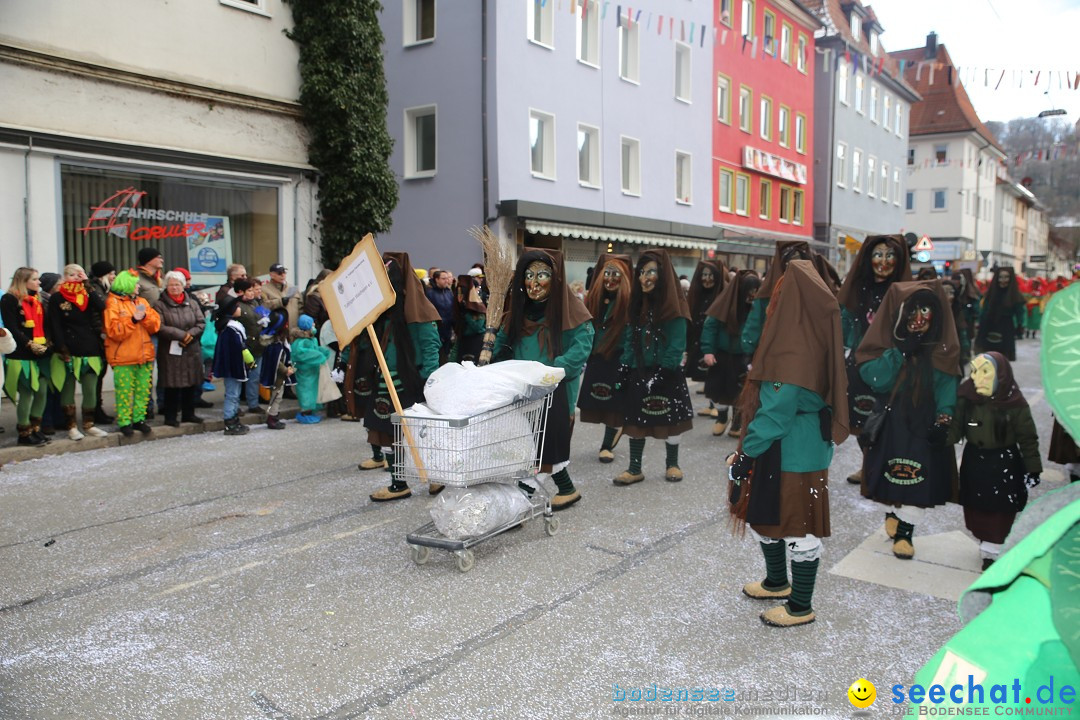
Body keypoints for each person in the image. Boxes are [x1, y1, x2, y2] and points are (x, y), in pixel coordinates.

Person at [727, 259, 849, 627]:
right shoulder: (810, 336)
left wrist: (747, 454)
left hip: (791, 451)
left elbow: (776, 413)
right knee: (772, 518)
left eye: (777, 292)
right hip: (798, 445)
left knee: (799, 527)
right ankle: (777, 581)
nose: (770, 300)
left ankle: (800, 606)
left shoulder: (792, 347)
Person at [855, 280, 961, 560]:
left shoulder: (941, 348)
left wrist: (944, 418)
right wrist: (900, 352)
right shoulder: (889, 342)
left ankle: (905, 532)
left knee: (918, 477)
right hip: (892, 419)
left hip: (923, 422)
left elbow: (946, 383)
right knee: (888, 470)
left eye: (925, 310)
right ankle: (890, 509)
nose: (918, 319)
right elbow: (875, 378)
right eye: (912, 311)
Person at [494, 249, 593, 509]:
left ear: (556, 278)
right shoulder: (517, 311)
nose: (533, 282)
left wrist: (554, 370)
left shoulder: (571, 309)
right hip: (521, 389)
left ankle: (522, 499)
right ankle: (567, 488)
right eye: (528, 275)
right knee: (530, 439)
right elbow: (503, 344)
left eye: (542, 274)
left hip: (555, 390)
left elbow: (581, 346)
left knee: (544, 440)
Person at [949, 352, 1041, 570]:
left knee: (999, 511)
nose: (977, 378)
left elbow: (1027, 437)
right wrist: (936, 436)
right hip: (975, 462)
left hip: (1004, 464)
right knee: (977, 508)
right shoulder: (967, 397)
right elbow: (954, 430)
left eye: (985, 372)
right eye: (974, 371)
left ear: (1000, 375)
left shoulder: (1014, 402)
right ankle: (986, 540)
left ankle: (991, 551)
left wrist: (1033, 468)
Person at [364, 253, 442, 501]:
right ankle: (398, 484)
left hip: (412, 383)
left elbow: (431, 347)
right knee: (385, 432)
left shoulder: (419, 310)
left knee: (422, 434)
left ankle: (436, 478)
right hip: (384, 381)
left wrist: (427, 381)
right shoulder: (385, 312)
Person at [836, 234, 911, 484]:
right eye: (878, 254)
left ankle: (881, 466)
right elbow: (845, 320)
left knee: (886, 418)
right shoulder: (860, 288)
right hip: (858, 363)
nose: (883, 261)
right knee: (860, 417)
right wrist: (843, 350)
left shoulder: (904, 291)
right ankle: (868, 464)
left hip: (891, 364)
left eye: (890, 255)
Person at [614, 249, 693, 485]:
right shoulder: (637, 304)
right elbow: (630, 336)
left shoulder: (674, 305)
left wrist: (665, 370)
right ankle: (635, 468)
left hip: (666, 372)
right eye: (641, 272)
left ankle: (673, 464)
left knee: (672, 421)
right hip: (640, 369)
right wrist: (625, 365)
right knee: (636, 420)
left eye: (651, 272)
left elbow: (677, 342)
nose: (644, 277)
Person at [577, 254, 632, 463]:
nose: (610, 278)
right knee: (596, 400)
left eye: (615, 274)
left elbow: (630, 335)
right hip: (597, 357)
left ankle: (607, 444)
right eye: (606, 273)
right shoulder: (594, 299)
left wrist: (626, 362)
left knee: (615, 404)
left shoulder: (629, 303)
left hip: (618, 358)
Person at [47, 264, 109, 440]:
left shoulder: (88, 294)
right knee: (68, 389)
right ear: (65, 277)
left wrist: (87, 284)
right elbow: (55, 325)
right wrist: (61, 347)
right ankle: (72, 426)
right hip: (68, 348)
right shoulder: (57, 298)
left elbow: (102, 306)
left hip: (89, 347)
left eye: (79, 274)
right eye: (72, 275)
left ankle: (89, 424)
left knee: (90, 388)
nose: (76, 278)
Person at [701, 269, 761, 437]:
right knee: (718, 389)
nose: (752, 295)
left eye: (756, 292)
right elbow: (710, 326)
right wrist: (708, 351)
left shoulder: (756, 308)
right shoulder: (725, 303)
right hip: (722, 353)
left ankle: (736, 422)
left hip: (744, 356)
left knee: (740, 392)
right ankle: (721, 419)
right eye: (750, 292)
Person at [104, 269, 162, 437]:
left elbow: (155, 324)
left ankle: (139, 419)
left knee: (143, 390)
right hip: (123, 356)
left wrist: (144, 318)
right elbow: (113, 330)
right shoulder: (113, 303)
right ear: (128, 285)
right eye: (136, 284)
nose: (138, 287)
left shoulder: (141, 301)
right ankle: (124, 421)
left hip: (144, 355)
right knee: (124, 391)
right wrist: (133, 320)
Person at [1, 268, 51, 446]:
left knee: (42, 391)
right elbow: (12, 327)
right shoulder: (9, 299)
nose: (39, 283)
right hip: (20, 354)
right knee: (27, 393)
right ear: (24, 281)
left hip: (38, 353)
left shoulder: (36, 299)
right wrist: (30, 344)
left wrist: (46, 344)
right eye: (35, 279)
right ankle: (24, 431)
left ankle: (35, 428)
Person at [742, 241, 816, 357]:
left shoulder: (813, 292)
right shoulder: (767, 293)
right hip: (773, 354)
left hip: (803, 355)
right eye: (791, 263)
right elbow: (755, 323)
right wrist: (748, 351)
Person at [152, 270, 206, 427]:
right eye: (171, 285)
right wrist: (180, 335)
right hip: (170, 349)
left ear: (183, 286)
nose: (174, 287)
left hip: (191, 348)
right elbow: (159, 326)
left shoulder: (193, 303)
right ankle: (170, 417)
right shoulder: (159, 304)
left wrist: (190, 335)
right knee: (172, 384)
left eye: (177, 284)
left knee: (191, 382)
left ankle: (189, 414)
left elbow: (201, 323)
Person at [685, 260, 726, 420]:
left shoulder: (720, 295)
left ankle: (714, 406)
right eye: (704, 275)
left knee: (712, 374)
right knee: (702, 373)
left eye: (710, 275)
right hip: (697, 339)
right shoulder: (697, 295)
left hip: (712, 342)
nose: (706, 279)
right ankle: (711, 405)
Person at [212, 295, 254, 436]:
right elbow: (238, 348)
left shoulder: (230, 326)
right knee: (232, 394)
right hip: (233, 367)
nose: (239, 308)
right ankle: (230, 422)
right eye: (236, 306)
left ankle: (234, 419)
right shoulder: (231, 328)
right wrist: (247, 360)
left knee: (234, 394)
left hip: (233, 366)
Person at [976, 266, 1025, 361]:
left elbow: (1020, 313)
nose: (1003, 280)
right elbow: (984, 311)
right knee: (989, 358)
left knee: (1003, 359)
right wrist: (980, 325)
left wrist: (1020, 327)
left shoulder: (1015, 295)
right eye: (1000, 277)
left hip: (1006, 328)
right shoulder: (990, 294)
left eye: (1006, 277)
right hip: (989, 326)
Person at [89, 261, 116, 424]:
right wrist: (102, 333)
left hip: (102, 337)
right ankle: (94, 411)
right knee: (97, 377)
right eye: (111, 273)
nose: (113, 276)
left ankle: (98, 409)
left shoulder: (103, 289)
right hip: (98, 338)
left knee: (100, 375)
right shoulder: (95, 290)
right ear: (103, 275)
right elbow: (97, 314)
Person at [290, 314, 331, 424]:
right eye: (312, 323)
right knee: (306, 393)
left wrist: (322, 352)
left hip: (312, 371)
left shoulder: (310, 339)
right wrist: (319, 355)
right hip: (305, 372)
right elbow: (303, 354)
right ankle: (305, 413)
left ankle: (310, 411)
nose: (314, 325)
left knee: (313, 392)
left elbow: (315, 349)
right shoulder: (301, 341)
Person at [259, 308, 295, 429]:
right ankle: (272, 417)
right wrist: (286, 370)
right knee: (277, 395)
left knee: (277, 394)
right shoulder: (275, 344)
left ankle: (273, 414)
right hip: (277, 374)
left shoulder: (278, 341)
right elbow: (276, 362)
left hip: (279, 373)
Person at [450, 273, 486, 363]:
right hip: (462, 342)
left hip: (476, 343)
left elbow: (477, 327)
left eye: (461, 294)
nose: (459, 297)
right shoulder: (458, 308)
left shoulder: (478, 308)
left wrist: (466, 313)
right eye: (457, 294)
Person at [425, 269, 456, 365]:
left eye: (447, 278)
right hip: (437, 329)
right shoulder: (430, 293)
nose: (446, 281)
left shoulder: (449, 292)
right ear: (436, 279)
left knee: (446, 353)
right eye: (443, 279)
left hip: (448, 328)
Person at [262, 263, 301, 329]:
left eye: (284, 272)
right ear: (271, 275)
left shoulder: (293, 288)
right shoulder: (264, 289)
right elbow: (263, 306)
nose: (283, 275)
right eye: (279, 273)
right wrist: (280, 302)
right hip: (277, 331)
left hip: (294, 330)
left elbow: (301, 307)